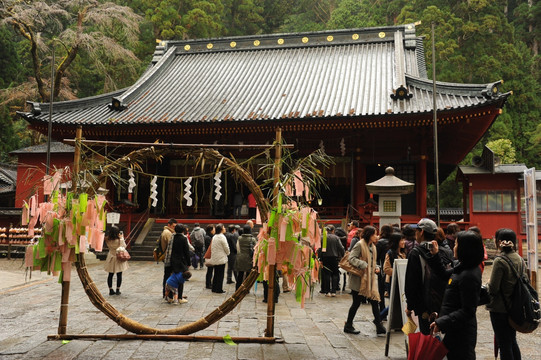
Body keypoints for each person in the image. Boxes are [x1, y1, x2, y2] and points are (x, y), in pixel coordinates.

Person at [430, 231, 485, 360]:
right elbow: (444, 274)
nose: (454, 247)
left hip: (462, 333)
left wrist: (442, 321)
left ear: (465, 248)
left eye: (456, 244)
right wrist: (435, 255)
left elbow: (468, 310)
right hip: (455, 329)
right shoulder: (463, 268)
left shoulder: (469, 275)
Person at [404, 218, 447, 335]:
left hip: (424, 304)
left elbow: (412, 282)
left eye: (417, 230)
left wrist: (410, 305)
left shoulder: (415, 252)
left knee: (427, 336)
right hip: (441, 301)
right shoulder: (441, 250)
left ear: (421, 232)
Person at [485, 228, 522, 360]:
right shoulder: (519, 259)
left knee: (504, 344)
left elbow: (493, 289)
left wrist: (488, 283)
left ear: (499, 242)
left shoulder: (500, 261)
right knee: (512, 341)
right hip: (514, 307)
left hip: (500, 308)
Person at [344, 225, 386, 335]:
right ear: (369, 235)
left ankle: (378, 325)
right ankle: (348, 325)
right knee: (356, 303)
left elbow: (372, 261)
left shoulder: (372, 246)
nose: (376, 236)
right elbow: (351, 258)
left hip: (370, 279)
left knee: (374, 301)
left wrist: (376, 267)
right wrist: (363, 264)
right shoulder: (359, 244)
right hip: (359, 279)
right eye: (374, 234)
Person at [380, 230, 407, 319]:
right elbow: (386, 269)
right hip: (392, 281)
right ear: (396, 242)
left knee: (398, 302)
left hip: (401, 280)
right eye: (401, 240)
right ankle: (379, 318)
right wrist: (399, 271)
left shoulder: (403, 253)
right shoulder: (390, 253)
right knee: (393, 303)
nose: (404, 242)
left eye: (404, 240)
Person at [164, 224, 191, 302]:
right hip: (181, 262)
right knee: (181, 279)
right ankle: (179, 297)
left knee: (172, 278)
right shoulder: (183, 239)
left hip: (172, 261)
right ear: (183, 231)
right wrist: (188, 262)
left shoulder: (172, 237)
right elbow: (186, 252)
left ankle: (170, 297)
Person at [318, 225, 345, 297]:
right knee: (335, 274)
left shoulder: (322, 238)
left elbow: (319, 249)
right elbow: (341, 248)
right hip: (334, 258)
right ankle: (333, 291)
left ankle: (327, 291)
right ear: (333, 230)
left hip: (325, 257)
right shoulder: (336, 238)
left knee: (327, 274)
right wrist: (343, 256)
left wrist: (320, 258)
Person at [104, 226, 128, 295]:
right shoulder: (120, 240)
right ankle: (118, 289)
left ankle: (110, 289)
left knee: (110, 274)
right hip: (118, 257)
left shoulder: (107, 239)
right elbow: (124, 246)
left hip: (111, 256)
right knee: (119, 274)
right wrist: (122, 237)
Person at [234, 224, 257, 290]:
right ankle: (246, 289)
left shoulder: (239, 238)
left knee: (240, 274)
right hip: (249, 258)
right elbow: (256, 248)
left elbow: (237, 247)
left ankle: (237, 288)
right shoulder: (252, 239)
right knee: (248, 275)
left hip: (240, 257)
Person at [208, 223, 229, 293]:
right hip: (221, 258)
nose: (225, 229)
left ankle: (214, 288)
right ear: (221, 229)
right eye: (224, 227)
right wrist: (228, 253)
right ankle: (219, 289)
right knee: (220, 274)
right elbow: (226, 247)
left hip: (215, 257)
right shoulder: (222, 237)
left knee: (216, 273)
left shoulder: (214, 237)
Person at [376, 224, 392, 312]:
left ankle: (382, 309)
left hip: (382, 269)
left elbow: (376, 257)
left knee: (381, 291)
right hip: (392, 269)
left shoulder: (380, 242)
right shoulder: (393, 241)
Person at [161, 218, 177, 298]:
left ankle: (167, 293)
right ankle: (168, 293)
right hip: (168, 257)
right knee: (169, 276)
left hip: (166, 256)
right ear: (169, 225)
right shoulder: (168, 233)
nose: (174, 228)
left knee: (167, 275)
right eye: (173, 226)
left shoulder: (167, 232)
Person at [204, 224, 215, 289]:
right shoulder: (208, 237)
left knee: (210, 270)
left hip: (210, 255)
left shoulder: (209, 236)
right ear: (211, 230)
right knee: (210, 270)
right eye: (213, 229)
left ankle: (209, 283)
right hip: (210, 255)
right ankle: (208, 284)